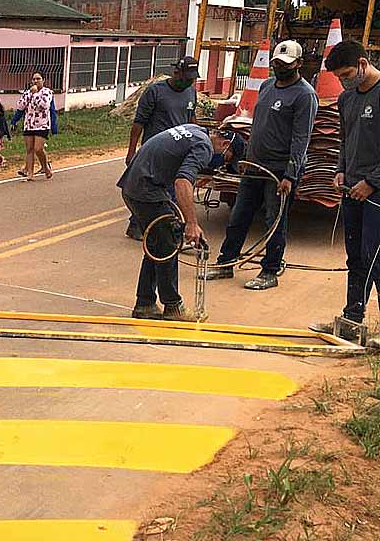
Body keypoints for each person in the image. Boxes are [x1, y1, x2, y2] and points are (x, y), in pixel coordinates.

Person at [204, 40, 318, 290]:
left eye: (286, 64)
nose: (280, 67)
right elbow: (257, 127)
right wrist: (244, 157)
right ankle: (226, 263)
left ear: (299, 64)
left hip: (279, 172)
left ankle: (270, 270)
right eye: (276, 63)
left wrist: (290, 174)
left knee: (274, 221)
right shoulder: (267, 86)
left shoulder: (305, 95)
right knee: (239, 216)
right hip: (254, 166)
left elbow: (301, 138)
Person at [118, 124, 236, 321]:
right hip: (146, 190)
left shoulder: (194, 129)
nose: (220, 163)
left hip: (133, 186)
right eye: (226, 158)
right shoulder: (204, 146)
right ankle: (173, 306)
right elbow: (182, 182)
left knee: (156, 245)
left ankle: (145, 303)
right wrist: (191, 223)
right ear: (224, 144)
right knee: (168, 243)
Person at [309, 40, 380, 347]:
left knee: (375, 257)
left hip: (376, 192)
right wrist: (340, 168)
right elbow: (345, 137)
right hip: (351, 187)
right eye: (339, 76)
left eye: (348, 73)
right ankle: (352, 318)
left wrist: (372, 181)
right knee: (355, 257)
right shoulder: (346, 98)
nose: (344, 80)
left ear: (363, 63)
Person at [124, 56, 200, 239]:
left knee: (167, 192)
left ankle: (155, 227)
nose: (189, 82)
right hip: (155, 152)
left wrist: (200, 134)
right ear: (177, 72)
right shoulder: (155, 92)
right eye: (186, 78)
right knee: (151, 191)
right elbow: (139, 123)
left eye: (192, 79)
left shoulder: (191, 92)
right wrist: (131, 151)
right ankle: (143, 226)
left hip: (178, 151)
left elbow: (191, 118)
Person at [14, 71, 54, 181]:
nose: (35, 81)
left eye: (38, 79)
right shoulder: (28, 93)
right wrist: (29, 94)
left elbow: (44, 106)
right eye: (34, 79)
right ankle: (30, 173)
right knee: (29, 149)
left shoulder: (47, 92)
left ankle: (45, 167)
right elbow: (20, 106)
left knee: (38, 148)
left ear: (43, 80)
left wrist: (36, 94)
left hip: (42, 125)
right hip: (29, 124)